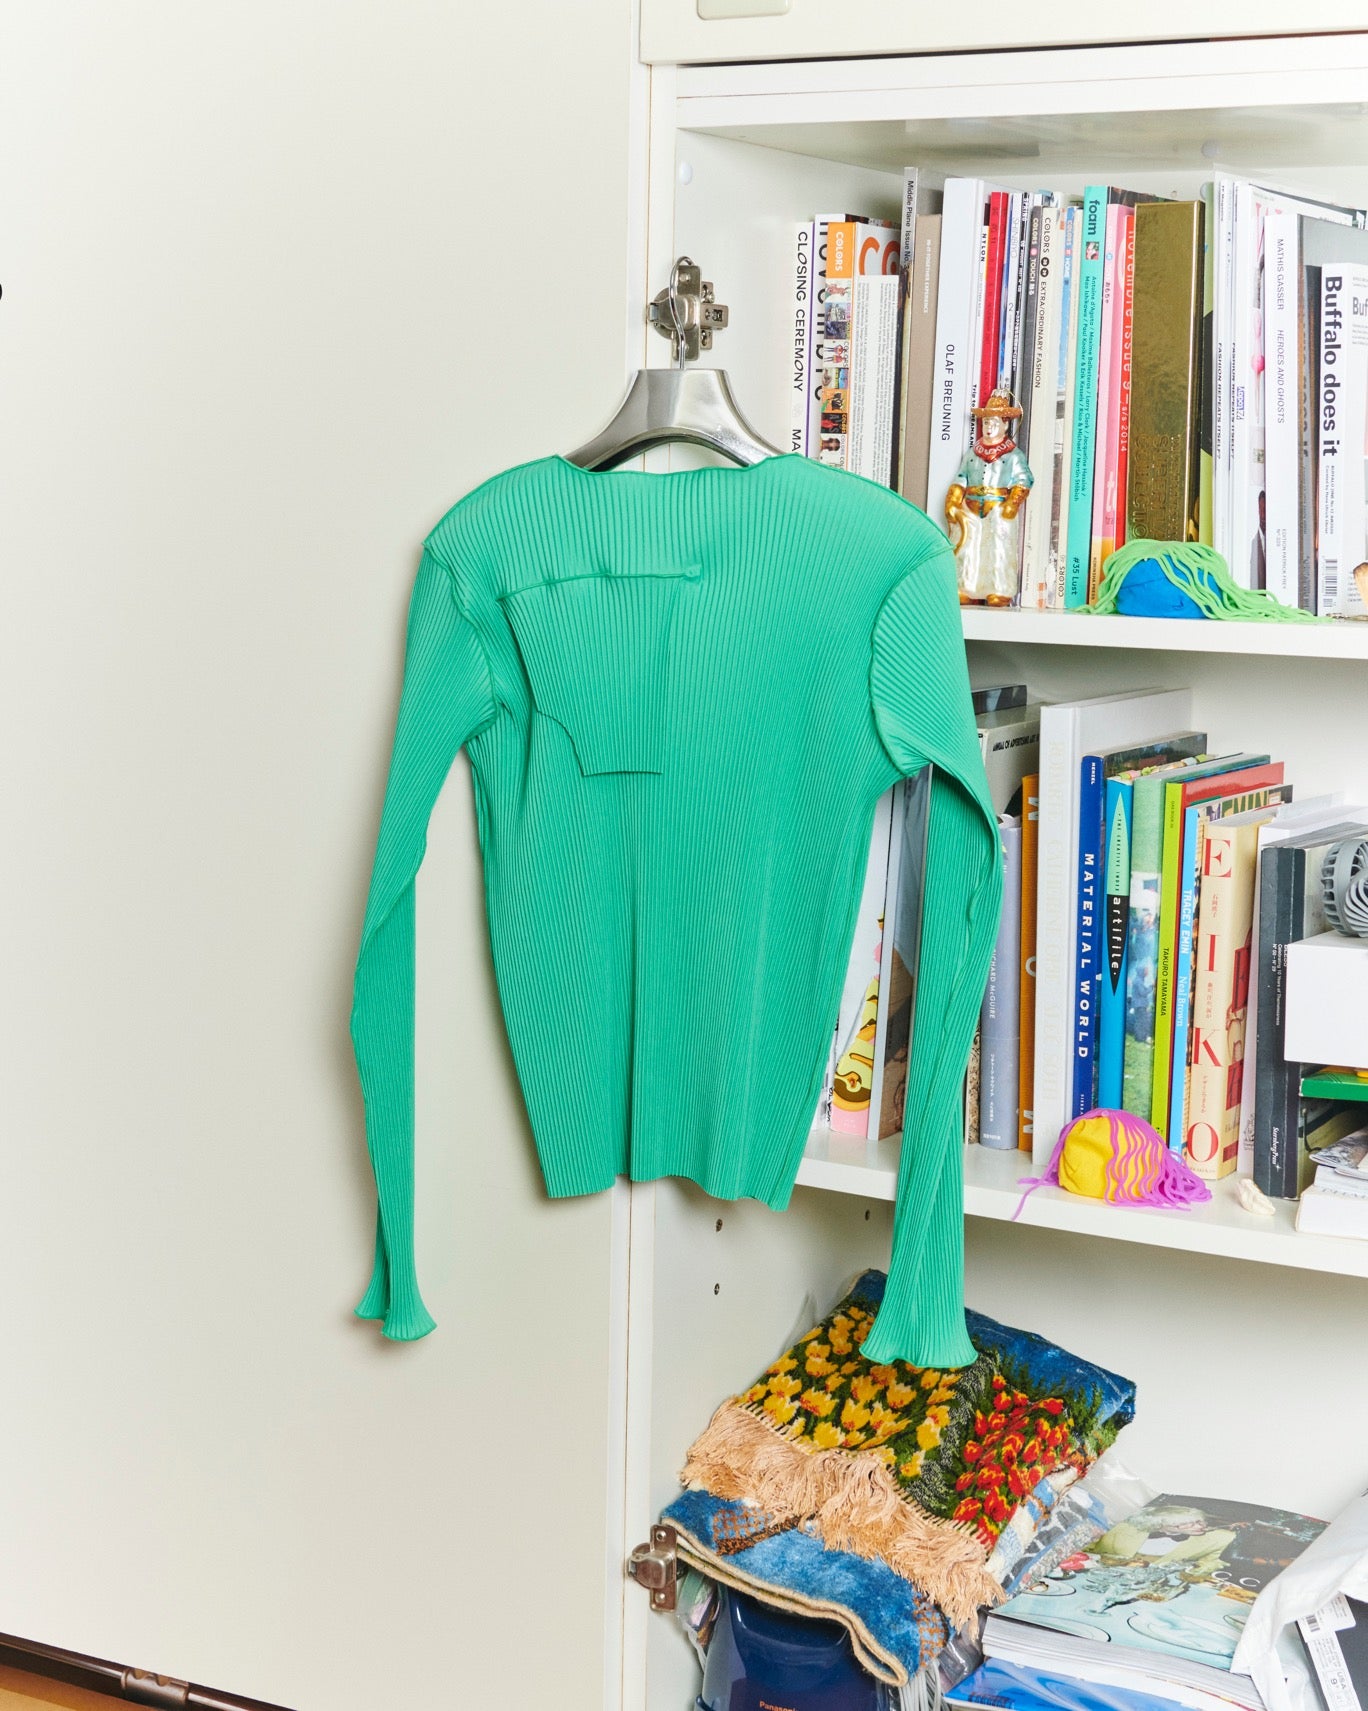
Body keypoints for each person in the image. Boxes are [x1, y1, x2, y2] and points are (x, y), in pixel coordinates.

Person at [945, 388, 1033, 605]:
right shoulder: (972, 454)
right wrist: (953, 500)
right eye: (986, 423)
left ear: (1005, 425)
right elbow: (961, 478)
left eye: (994, 423)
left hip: (999, 507)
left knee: (998, 549)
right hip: (971, 506)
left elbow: (1024, 479)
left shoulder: (1013, 455)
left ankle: (1000, 589)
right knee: (968, 547)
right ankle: (965, 586)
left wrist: (1013, 502)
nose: (989, 427)